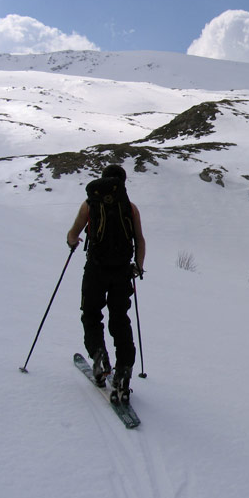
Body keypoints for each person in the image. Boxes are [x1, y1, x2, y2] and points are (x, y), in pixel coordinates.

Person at [66, 164, 146, 402]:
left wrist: (72, 242)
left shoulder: (89, 205)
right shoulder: (130, 208)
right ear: (122, 182)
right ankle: (123, 372)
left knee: (91, 314)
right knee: (120, 319)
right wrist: (138, 267)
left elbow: (73, 234)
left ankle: (98, 355)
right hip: (121, 272)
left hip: (95, 269)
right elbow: (140, 241)